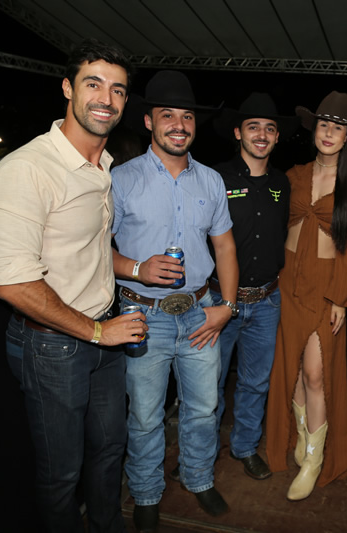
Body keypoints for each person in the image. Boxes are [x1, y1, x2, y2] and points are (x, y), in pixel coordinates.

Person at [0, 38, 145, 533]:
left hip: (104, 337)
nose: (106, 98)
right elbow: (13, 283)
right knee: (62, 475)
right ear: (67, 88)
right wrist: (98, 333)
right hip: (52, 346)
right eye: (93, 84)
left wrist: (136, 271)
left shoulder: (104, 166)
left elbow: (88, 252)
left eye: (117, 90)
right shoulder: (27, 168)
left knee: (110, 450)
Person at [110, 70, 239, 531]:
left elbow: (225, 246)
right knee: (145, 415)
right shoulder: (121, 179)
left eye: (187, 117)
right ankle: (146, 491)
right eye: (168, 116)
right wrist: (138, 269)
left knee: (203, 408)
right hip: (143, 316)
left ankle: (198, 477)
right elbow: (95, 250)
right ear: (149, 121)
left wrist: (227, 307)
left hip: (201, 313)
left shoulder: (211, 180)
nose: (179, 125)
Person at [265, 91, 347, 501]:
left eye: (337, 128)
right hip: (287, 280)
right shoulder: (292, 175)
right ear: (314, 131)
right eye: (323, 125)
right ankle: (301, 433)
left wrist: (340, 297)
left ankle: (314, 457)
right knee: (292, 368)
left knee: (315, 372)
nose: (329, 133)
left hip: (325, 285)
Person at [209, 92, 298, 480]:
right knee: (208, 385)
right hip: (218, 300)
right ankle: (201, 452)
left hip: (266, 301)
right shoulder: (215, 178)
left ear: (277, 137)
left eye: (269, 128)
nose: (261, 135)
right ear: (237, 133)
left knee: (255, 383)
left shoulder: (282, 182)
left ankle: (245, 447)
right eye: (253, 127)